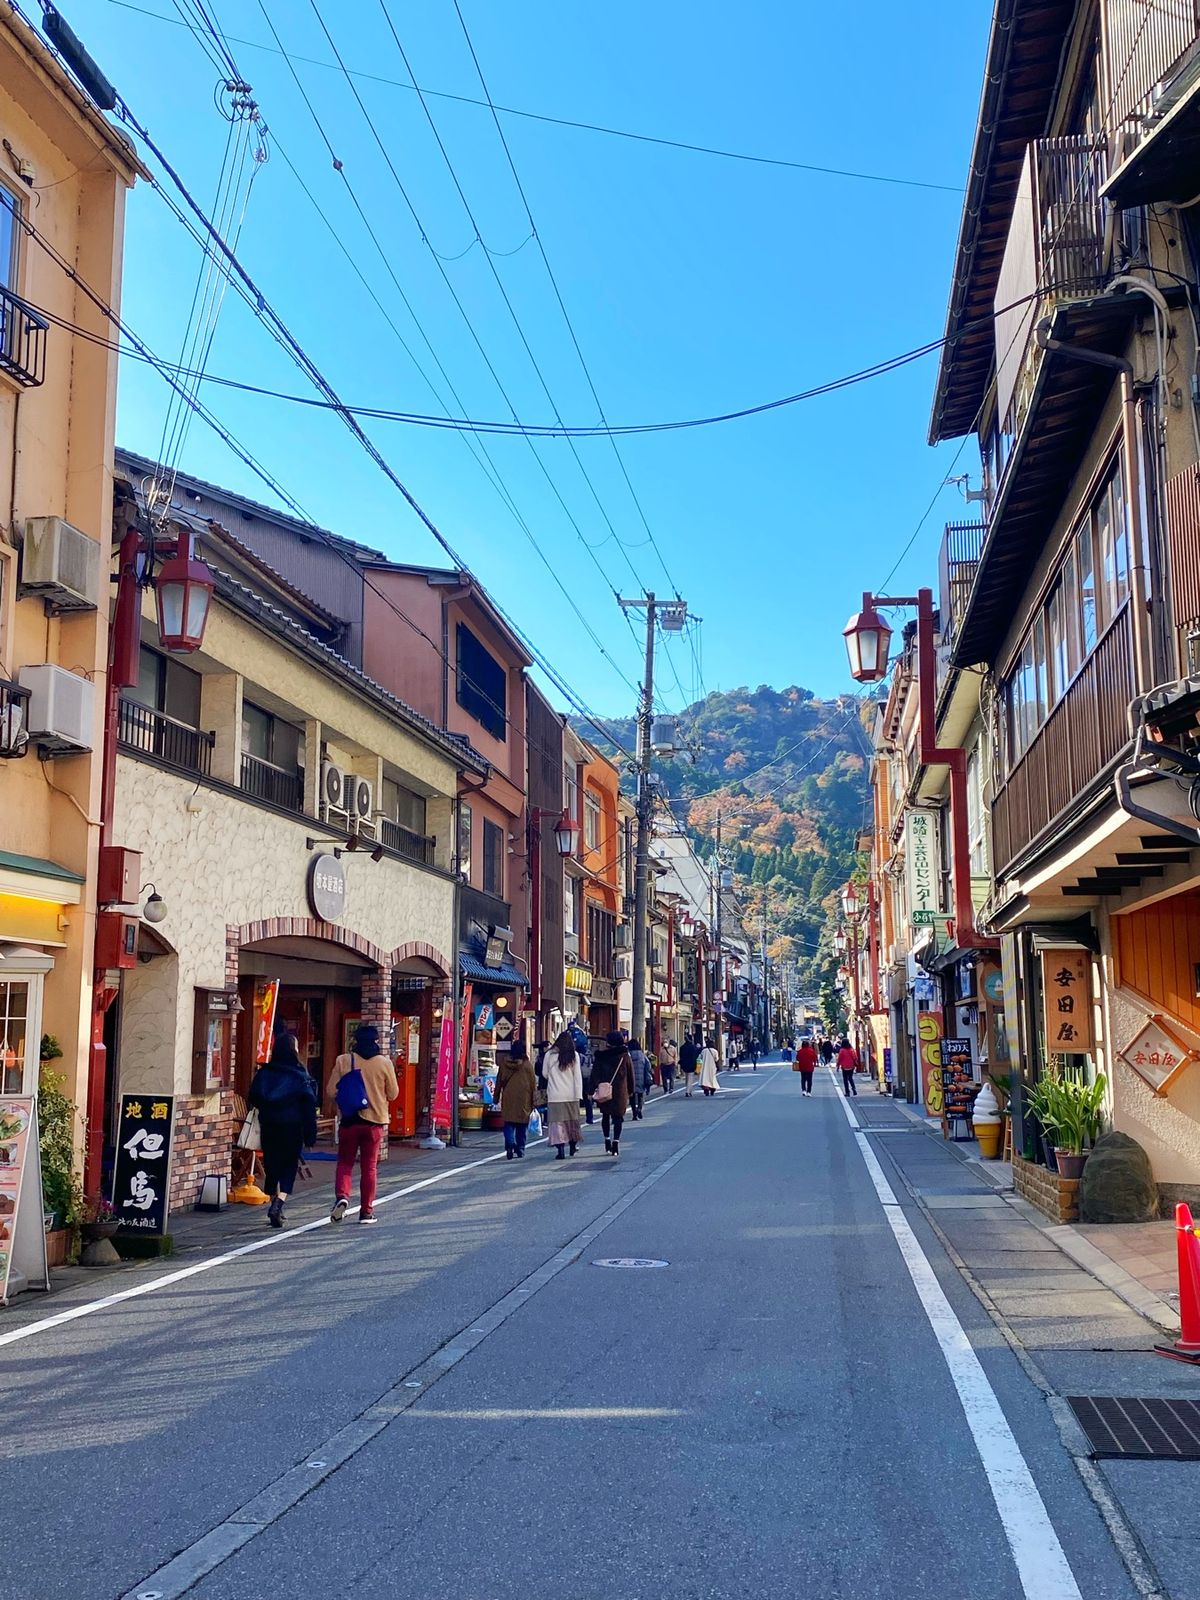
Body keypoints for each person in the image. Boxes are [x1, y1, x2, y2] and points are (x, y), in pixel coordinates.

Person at [327, 1024, 398, 1225]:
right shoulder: (384, 1063)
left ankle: (342, 1196)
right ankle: (366, 1212)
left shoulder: (344, 1060)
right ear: (376, 1040)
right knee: (369, 1168)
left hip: (349, 1120)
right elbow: (393, 1094)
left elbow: (331, 1091)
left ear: (355, 1040)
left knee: (345, 1162)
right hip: (374, 1122)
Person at [248, 1033, 317, 1229]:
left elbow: (253, 1097)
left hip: (269, 1125)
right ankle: (279, 1203)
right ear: (293, 1050)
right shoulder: (299, 1075)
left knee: (271, 1164)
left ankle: (273, 1203)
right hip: (292, 1126)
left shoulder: (264, 1073)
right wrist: (310, 1134)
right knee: (288, 1166)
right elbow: (309, 1106)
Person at [590, 1029, 635, 1155]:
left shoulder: (601, 1056)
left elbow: (595, 1075)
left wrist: (590, 1090)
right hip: (620, 1092)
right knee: (618, 1118)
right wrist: (631, 1090)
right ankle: (616, 1143)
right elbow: (630, 1074)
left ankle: (607, 1139)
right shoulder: (624, 1056)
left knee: (605, 1116)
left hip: (604, 1091)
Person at [496, 1034, 537, 1159]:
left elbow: (499, 1081)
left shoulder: (504, 1063)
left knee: (509, 1123)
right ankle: (520, 1148)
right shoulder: (527, 1065)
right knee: (522, 1125)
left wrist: (495, 1097)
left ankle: (509, 1143)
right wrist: (534, 1101)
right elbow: (532, 1084)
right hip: (524, 1098)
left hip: (508, 1096)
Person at [545, 1031, 584, 1159]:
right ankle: (573, 1145)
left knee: (557, 1123)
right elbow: (577, 1076)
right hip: (571, 1094)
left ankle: (560, 1148)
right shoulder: (574, 1056)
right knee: (571, 1122)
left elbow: (544, 1073)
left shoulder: (549, 1055)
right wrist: (579, 1094)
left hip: (555, 1095)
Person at [568, 1015, 594, 1124]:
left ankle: (574, 1117)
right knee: (587, 1097)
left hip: (574, 1075)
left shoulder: (571, 1036)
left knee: (574, 1097)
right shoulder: (583, 1037)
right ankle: (590, 1117)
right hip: (586, 1074)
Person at [629, 1038, 653, 1119]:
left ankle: (634, 1113)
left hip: (631, 1079)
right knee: (640, 1095)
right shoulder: (642, 1055)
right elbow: (648, 1066)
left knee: (632, 1096)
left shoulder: (628, 1055)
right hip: (641, 1078)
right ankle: (639, 1108)